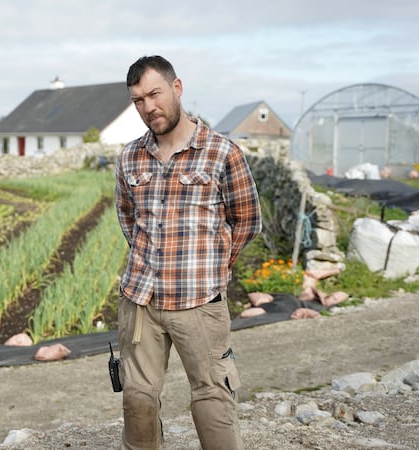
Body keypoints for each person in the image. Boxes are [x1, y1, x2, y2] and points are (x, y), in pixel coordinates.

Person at [115, 55, 262, 450]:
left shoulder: (221, 152)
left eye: (155, 94)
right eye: (138, 100)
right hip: (141, 301)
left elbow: (247, 220)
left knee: (212, 397)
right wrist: (151, 260)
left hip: (199, 302)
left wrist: (213, 266)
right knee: (137, 399)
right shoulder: (130, 156)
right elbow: (128, 218)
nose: (149, 107)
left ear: (177, 88)